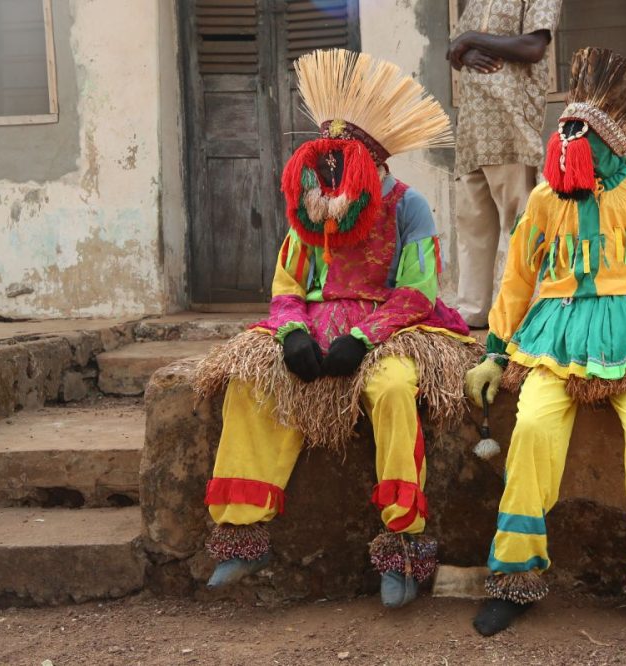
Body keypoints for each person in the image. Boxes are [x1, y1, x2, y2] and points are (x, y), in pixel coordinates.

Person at [193, 49, 477, 609]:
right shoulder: (314, 204)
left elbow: (418, 291)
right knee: (251, 387)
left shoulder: (409, 206)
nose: (327, 176)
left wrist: (364, 338)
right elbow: (286, 284)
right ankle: (243, 536)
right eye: (324, 163)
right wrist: (292, 331)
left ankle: (403, 544)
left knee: (395, 390)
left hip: (390, 328)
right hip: (316, 324)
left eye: (339, 163)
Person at [464, 47, 626, 640]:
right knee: (530, 428)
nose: (564, 143)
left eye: (576, 134)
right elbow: (517, 278)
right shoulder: (540, 201)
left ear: (607, 144)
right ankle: (514, 578)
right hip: (553, 339)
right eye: (561, 132)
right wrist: (495, 350)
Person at [447, 0, 563, 329]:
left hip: (509, 126)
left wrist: (471, 38)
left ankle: (527, 314)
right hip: (471, 131)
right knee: (472, 226)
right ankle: (473, 313)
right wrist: (465, 52)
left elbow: (533, 47)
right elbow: (454, 51)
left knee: (522, 224)